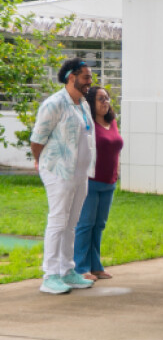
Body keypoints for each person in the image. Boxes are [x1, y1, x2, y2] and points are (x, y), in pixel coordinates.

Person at [30, 58, 97, 294]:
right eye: (86, 77)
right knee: (58, 221)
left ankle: (67, 271)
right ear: (72, 77)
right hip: (59, 172)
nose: (90, 81)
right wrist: (42, 162)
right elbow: (37, 139)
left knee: (71, 223)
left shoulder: (82, 104)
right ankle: (50, 275)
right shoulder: (54, 103)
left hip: (80, 174)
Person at [73, 85, 124, 281]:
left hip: (109, 181)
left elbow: (116, 148)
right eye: (101, 99)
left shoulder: (112, 123)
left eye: (107, 98)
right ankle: (80, 268)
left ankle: (96, 266)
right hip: (90, 180)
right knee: (86, 224)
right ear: (91, 103)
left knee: (99, 225)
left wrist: (117, 171)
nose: (106, 102)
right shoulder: (88, 124)